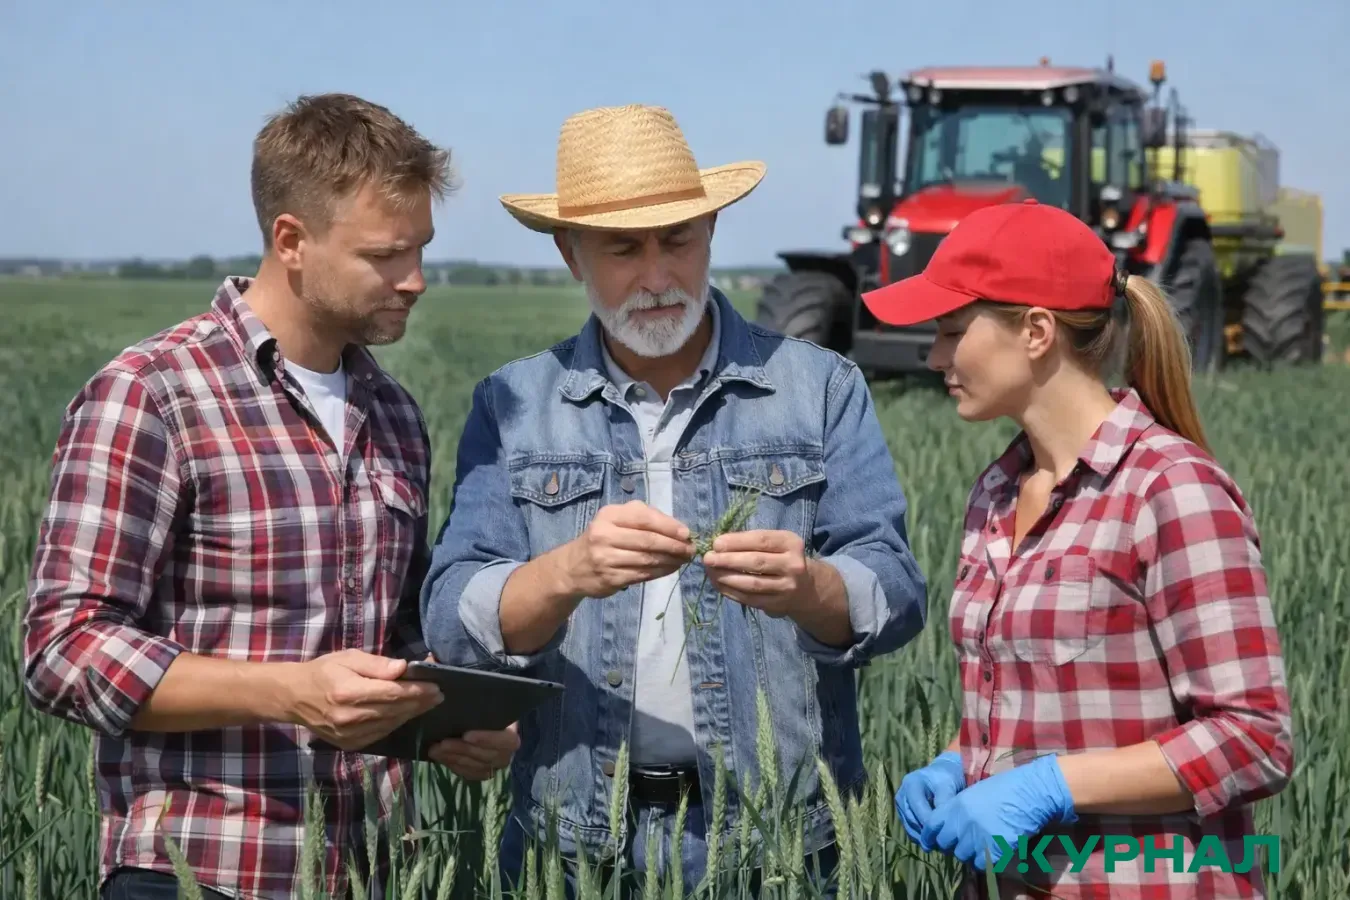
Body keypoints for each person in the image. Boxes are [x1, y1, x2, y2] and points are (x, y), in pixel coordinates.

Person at [22, 93, 520, 900]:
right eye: (385, 255)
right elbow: (61, 649)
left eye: (421, 249)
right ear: (291, 240)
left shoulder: (391, 414)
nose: (416, 280)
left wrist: (448, 724)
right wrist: (287, 692)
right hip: (196, 872)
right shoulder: (153, 393)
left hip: (366, 871)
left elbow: (390, 634)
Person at [419, 104, 929, 892]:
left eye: (678, 241)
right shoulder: (512, 404)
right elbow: (452, 620)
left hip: (782, 846)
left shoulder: (820, 388)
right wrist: (566, 573)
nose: (657, 277)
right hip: (573, 846)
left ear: (712, 231)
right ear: (571, 254)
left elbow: (895, 593)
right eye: (624, 249)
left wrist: (812, 588)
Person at [864, 200, 1294, 899]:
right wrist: (957, 762)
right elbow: (1037, 701)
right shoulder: (997, 493)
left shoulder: (1170, 490)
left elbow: (1256, 739)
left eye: (950, 331)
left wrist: (1053, 785)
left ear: (1036, 331)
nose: (936, 355)